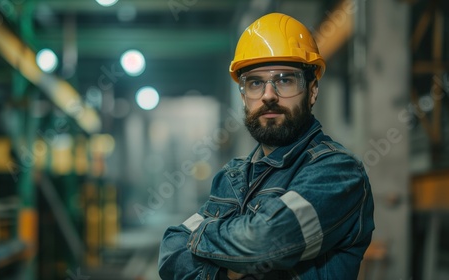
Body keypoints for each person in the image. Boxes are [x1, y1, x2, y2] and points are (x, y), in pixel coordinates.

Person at [158, 12, 374, 280]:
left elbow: (266, 243)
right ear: (244, 95)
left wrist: (200, 238)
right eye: (255, 83)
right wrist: (229, 269)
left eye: (285, 80)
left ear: (313, 91)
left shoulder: (338, 172)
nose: (268, 95)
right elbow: (170, 253)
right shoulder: (232, 177)